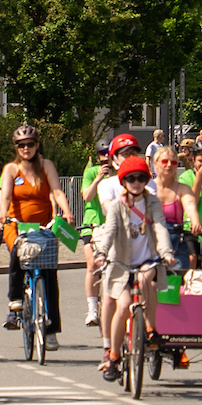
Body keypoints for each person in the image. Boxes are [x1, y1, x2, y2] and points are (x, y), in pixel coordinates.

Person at [93, 153, 177, 384]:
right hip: (121, 264)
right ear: (123, 182)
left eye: (141, 178)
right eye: (131, 179)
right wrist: (101, 252)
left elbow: (160, 228)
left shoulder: (153, 203)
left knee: (147, 280)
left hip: (147, 260)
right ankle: (113, 356)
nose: (136, 183)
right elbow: (109, 232)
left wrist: (167, 253)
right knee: (123, 305)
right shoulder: (117, 206)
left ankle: (151, 329)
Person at [0, 124, 73, 343]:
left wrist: (67, 212)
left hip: (41, 224)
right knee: (18, 250)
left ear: (37, 145)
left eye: (30, 144)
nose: (26, 148)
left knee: (49, 272)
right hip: (17, 224)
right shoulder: (11, 169)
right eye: (21, 145)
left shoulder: (46, 165)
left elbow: (57, 191)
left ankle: (51, 330)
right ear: (16, 148)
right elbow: (5, 196)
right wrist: (2, 216)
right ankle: (16, 298)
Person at [77, 135, 114, 329]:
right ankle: (92, 308)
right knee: (92, 264)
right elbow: (87, 196)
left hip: (112, 225)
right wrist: (99, 178)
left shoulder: (119, 173)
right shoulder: (91, 172)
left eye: (108, 154)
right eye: (102, 154)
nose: (105, 158)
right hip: (92, 224)